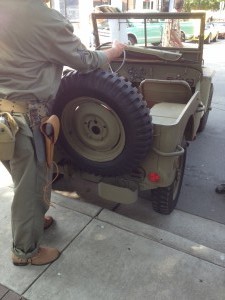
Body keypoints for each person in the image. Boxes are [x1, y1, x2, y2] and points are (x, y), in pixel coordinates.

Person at [0, 0, 126, 266]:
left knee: (24, 178)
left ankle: (33, 221)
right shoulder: (44, 18)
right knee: (30, 188)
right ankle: (25, 252)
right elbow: (85, 60)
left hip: (5, 116)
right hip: (25, 119)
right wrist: (113, 51)